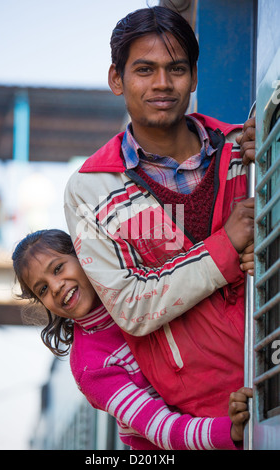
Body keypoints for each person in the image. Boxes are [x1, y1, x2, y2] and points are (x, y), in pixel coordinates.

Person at [64, 5, 255, 419]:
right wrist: (227, 250)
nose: (163, 84)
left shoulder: (246, 150)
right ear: (117, 79)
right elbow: (132, 306)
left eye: (177, 69)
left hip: (271, 371)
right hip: (202, 415)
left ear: (194, 77)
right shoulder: (91, 190)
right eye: (145, 70)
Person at [12, 228, 253, 450]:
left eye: (58, 268)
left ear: (85, 255)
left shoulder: (144, 288)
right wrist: (230, 430)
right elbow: (162, 429)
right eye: (42, 289)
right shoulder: (91, 365)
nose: (55, 287)